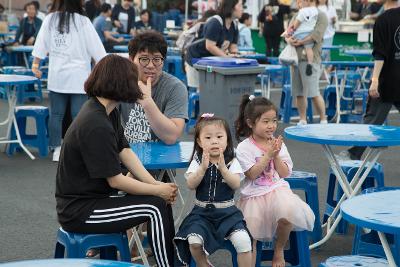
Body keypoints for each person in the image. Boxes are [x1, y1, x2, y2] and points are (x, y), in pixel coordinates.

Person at [55, 54, 177, 267]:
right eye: (133, 79)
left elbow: (125, 151)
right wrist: (157, 191)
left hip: (94, 200)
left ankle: (171, 261)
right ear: (121, 82)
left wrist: (156, 184)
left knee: (160, 201)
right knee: (155, 206)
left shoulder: (104, 110)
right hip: (80, 211)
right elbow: (116, 181)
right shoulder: (95, 123)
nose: (137, 83)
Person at [234, 95, 315, 267]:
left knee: (287, 215)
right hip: (254, 195)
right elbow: (251, 175)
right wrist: (268, 155)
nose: (271, 126)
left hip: (277, 190)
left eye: (274, 121)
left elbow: (285, 173)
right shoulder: (244, 148)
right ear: (251, 123)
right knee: (251, 232)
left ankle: (279, 251)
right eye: (265, 121)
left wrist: (276, 155)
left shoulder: (278, 143)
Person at [31, 0, 107, 162]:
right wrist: (102, 70)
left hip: (57, 76)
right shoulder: (83, 21)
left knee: (56, 115)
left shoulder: (50, 19)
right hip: (79, 77)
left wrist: (35, 64)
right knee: (78, 116)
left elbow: (40, 45)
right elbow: (98, 51)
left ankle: (57, 149)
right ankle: (76, 148)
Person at [174, 114, 252, 267]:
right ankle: (204, 264)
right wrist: (202, 169)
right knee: (194, 242)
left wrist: (223, 168)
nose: (214, 141)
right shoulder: (198, 160)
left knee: (243, 241)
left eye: (219, 136)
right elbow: (190, 184)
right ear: (199, 141)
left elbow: (236, 183)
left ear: (227, 140)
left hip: (227, 213)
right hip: (201, 213)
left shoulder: (232, 159)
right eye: (208, 137)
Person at [338, 0, 400, 161]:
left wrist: (374, 80)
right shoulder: (383, 18)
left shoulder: (383, 20)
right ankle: (354, 152)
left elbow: (380, 54)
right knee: (373, 120)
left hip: (389, 80)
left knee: (372, 122)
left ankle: (353, 153)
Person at [120, 30, 188, 145]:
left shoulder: (175, 87)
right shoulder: (120, 84)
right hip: (128, 154)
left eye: (157, 59)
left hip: (163, 157)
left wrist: (147, 102)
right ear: (131, 59)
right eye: (144, 59)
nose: (151, 66)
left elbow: (171, 136)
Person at [285, 0, 328, 125]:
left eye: (301, 0)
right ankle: (302, 119)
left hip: (311, 60)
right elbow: (289, 32)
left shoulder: (321, 15)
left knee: (313, 92)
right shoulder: (296, 14)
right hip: (295, 59)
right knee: (298, 92)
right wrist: (289, 40)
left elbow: (317, 35)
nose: (299, 2)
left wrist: (300, 41)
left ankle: (323, 119)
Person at [184, 0, 243, 89]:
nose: (242, 9)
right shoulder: (216, 22)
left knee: (211, 90)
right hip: (195, 59)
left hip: (210, 62)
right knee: (199, 91)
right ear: (232, 7)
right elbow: (210, 46)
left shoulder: (234, 25)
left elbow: (233, 47)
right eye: (240, 6)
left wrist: (236, 57)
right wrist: (227, 58)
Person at [282, 0, 319, 76]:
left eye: (300, 2)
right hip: (309, 33)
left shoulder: (302, 12)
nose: (298, 4)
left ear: (307, 2)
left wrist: (288, 34)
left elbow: (295, 25)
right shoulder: (315, 11)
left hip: (300, 34)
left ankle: (291, 60)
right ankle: (310, 63)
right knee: (309, 49)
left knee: (291, 43)